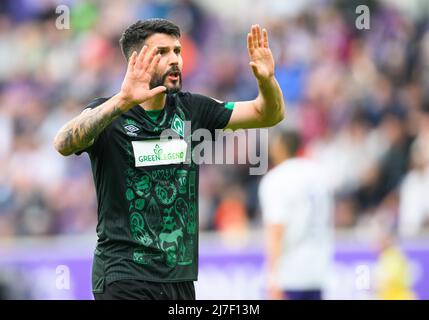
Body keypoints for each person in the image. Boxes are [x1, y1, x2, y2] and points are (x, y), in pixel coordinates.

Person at [53, 18, 285, 300]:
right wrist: (121, 101)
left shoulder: (192, 109)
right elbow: (63, 143)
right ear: (137, 60)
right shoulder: (107, 114)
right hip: (124, 274)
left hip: (179, 278)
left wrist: (267, 81)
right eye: (162, 52)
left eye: (177, 50)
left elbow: (268, 114)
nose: (175, 59)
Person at [258, 129, 333, 300]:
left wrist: (273, 277)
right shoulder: (319, 173)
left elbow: (276, 230)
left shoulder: (276, 179)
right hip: (318, 271)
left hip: (290, 274)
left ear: (281, 148)